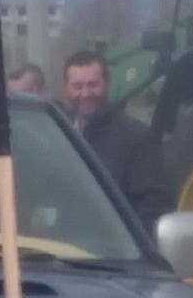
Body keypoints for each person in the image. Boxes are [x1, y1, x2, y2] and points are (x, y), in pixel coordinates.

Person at [59, 50, 172, 223]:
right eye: (77, 86)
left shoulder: (137, 138)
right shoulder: (57, 133)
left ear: (107, 84)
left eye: (92, 85)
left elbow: (154, 206)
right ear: (66, 87)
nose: (85, 93)